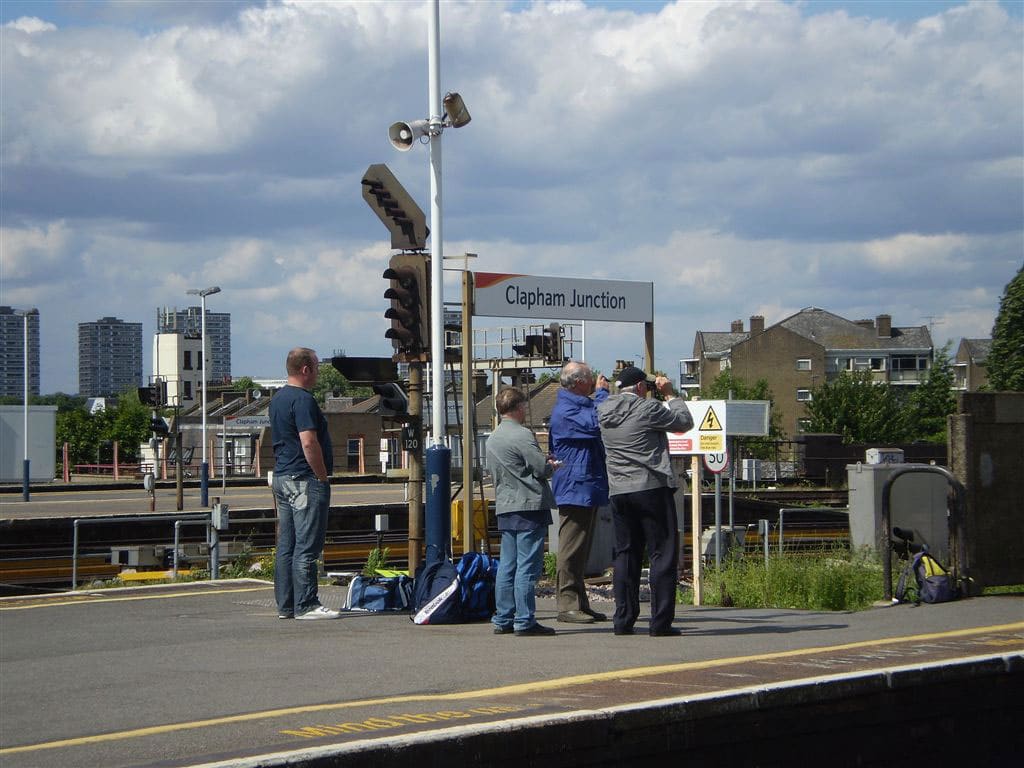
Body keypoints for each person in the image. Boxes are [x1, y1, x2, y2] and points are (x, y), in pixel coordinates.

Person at [597, 366, 693, 637]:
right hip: (650, 487)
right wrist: (670, 394)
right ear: (640, 387)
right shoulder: (648, 409)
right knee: (661, 554)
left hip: (618, 491)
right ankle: (660, 623)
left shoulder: (603, 411)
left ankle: (623, 620)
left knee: (626, 554)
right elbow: (684, 422)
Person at [270, 347, 339, 621]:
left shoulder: (277, 399)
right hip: (304, 478)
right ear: (306, 369)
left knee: (286, 544)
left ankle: (286, 605)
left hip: (282, 477)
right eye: (317, 368)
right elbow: (309, 441)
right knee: (308, 545)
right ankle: (307, 604)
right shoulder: (303, 400)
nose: (319, 373)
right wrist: (321, 476)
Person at [486, 387, 559, 637]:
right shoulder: (523, 435)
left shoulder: (492, 438)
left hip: (505, 506)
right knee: (527, 566)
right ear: (518, 408)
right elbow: (540, 468)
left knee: (507, 565)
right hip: (528, 506)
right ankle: (525, 620)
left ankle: (503, 618)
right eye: (524, 406)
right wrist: (551, 465)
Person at [548, 361, 611, 624]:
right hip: (575, 486)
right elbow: (597, 423)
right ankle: (567, 604)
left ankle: (579, 603)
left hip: (585, 485)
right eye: (590, 377)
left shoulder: (577, 405)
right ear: (579, 383)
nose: (595, 380)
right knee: (571, 549)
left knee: (581, 550)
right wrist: (604, 395)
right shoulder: (566, 411)